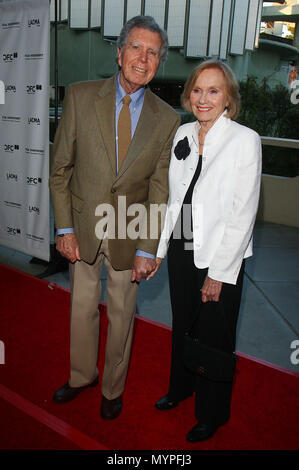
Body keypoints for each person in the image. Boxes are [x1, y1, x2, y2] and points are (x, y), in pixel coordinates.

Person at [49, 15, 180, 420]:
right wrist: (65, 227)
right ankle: (81, 376)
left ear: (160, 60)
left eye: (153, 52)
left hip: (131, 231)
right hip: (84, 227)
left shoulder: (168, 118)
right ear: (119, 52)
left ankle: (112, 388)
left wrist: (148, 247)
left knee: (123, 314)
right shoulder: (81, 96)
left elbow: (160, 189)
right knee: (82, 307)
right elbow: (60, 170)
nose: (143, 58)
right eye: (136, 48)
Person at [149, 59, 262, 442]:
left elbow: (243, 213)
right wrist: (161, 250)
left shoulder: (244, 140)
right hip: (183, 246)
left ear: (228, 98)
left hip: (220, 255)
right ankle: (181, 388)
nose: (203, 98)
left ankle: (212, 413)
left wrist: (219, 272)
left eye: (213, 90)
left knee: (215, 334)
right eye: (197, 90)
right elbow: (174, 200)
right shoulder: (183, 132)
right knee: (183, 323)